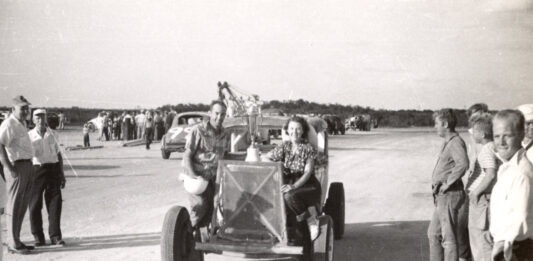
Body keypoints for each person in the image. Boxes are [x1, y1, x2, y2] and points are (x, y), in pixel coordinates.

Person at [261, 116, 321, 258]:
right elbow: (266, 157)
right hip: (290, 184)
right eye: (292, 128)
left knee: (288, 195)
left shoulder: (308, 148)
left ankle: (311, 221)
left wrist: (293, 186)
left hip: (307, 186)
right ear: (287, 130)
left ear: (303, 131)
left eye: (298, 128)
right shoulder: (285, 147)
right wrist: (278, 165)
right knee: (277, 196)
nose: (294, 132)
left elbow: (307, 173)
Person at [490, 110, 533, 261]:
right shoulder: (507, 168)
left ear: (521, 135)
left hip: (514, 251)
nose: (500, 142)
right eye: (496, 136)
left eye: (507, 136)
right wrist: (493, 231)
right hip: (505, 246)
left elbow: (522, 219)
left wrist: (503, 245)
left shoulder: (522, 173)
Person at [428, 108, 469, 261]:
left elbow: (463, 164)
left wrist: (447, 183)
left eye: (436, 123)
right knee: (434, 233)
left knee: (449, 238)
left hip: (449, 194)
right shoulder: (449, 142)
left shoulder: (455, 142)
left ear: (445, 124)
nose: (435, 127)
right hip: (443, 196)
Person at [183, 100, 230, 230]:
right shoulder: (198, 130)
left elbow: (225, 157)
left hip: (213, 178)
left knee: (213, 207)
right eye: (216, 113)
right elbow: (187, 155)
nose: (219, 117)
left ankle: (201, 237)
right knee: (200, 205)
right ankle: (189, 234)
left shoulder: (225, 134)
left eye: (223, 114)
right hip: (197, 176)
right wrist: (194, 176)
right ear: (209, 113)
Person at [0, 95, 35, 254]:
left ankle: (17, 240)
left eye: (27, 108)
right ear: (13, 109)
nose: (26, 111)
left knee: (21, 205)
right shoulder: (8, 124)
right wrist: (9, 168)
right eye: (22, 108)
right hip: (16, 167)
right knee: (14, 205)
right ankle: (12, 243)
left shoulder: (22, 123)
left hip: (27, 165)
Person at [28, 109, 66, 246]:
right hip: (37, 170)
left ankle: (55, 236)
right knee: (34, 205)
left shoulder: (54, 134)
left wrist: (62, 173)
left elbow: (59, 155)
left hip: (53, 170)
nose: (40, 120)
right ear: (33, 120)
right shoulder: (29, 136)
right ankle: (38, 237)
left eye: (42, 117)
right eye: (37, 118)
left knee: (55, 204)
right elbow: (27, 157)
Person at [464, 113, 499, 261]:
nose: (472, 133)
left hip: (482, 201)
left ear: (482, 134)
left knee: (480, 240)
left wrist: (476, 192)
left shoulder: (486, 150)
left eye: (474, 131)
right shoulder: (494, 147)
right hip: (488, 200)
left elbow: (490, 173)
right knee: (484, 240)